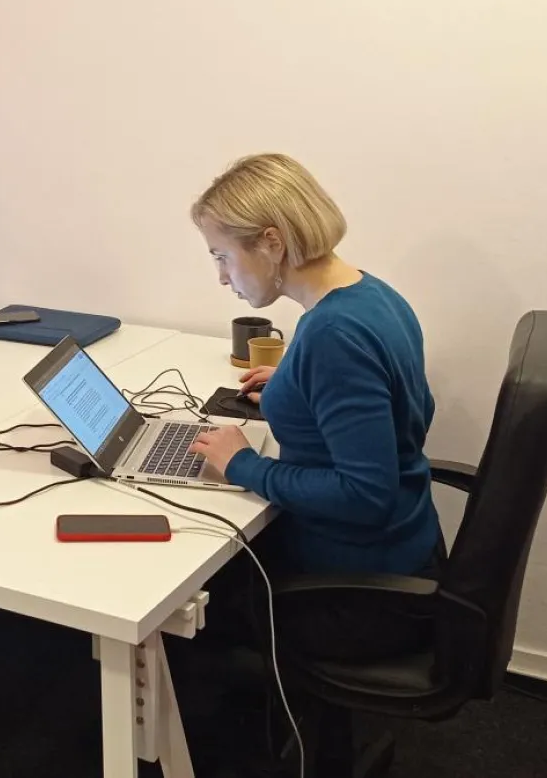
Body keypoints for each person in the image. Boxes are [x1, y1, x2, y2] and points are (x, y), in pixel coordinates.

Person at [185, 153, 442, 666]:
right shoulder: (371, 293)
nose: (220, 276)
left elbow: (366, 494)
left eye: (221, 256)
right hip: (403, 557)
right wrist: (297, 384)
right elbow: (405, 407)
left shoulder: (332, 336)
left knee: (192, 604)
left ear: (272, 242)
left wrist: (244, 465)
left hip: (357, 593)